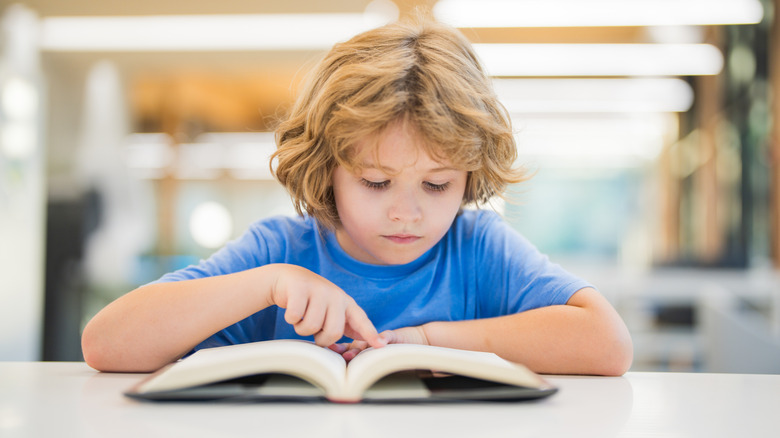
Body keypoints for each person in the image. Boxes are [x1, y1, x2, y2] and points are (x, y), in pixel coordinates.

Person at [81, 18, 633, 375]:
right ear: (328, 171)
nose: (406, 212)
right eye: (375, 182)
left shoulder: (477, 248)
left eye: (438, 185)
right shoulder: (282, 250)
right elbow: (106, 344)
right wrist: (270, 285)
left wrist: (427, 340)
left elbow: (608, 344)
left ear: (469, 176)